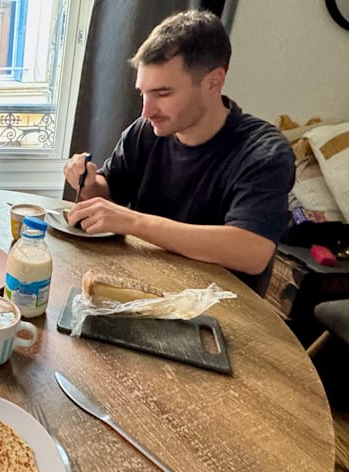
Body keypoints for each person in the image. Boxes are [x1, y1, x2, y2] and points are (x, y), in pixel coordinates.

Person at [64, 9, 294, 289]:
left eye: (163, 93)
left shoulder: (264, 152)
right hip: (144, 285)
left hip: (218, 303)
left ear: (214, 81)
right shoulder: (145, 131)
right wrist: (89, 184)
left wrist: (134, 222)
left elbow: (252, 252)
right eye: (143, 93)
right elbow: (110, 190)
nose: (147, 111)